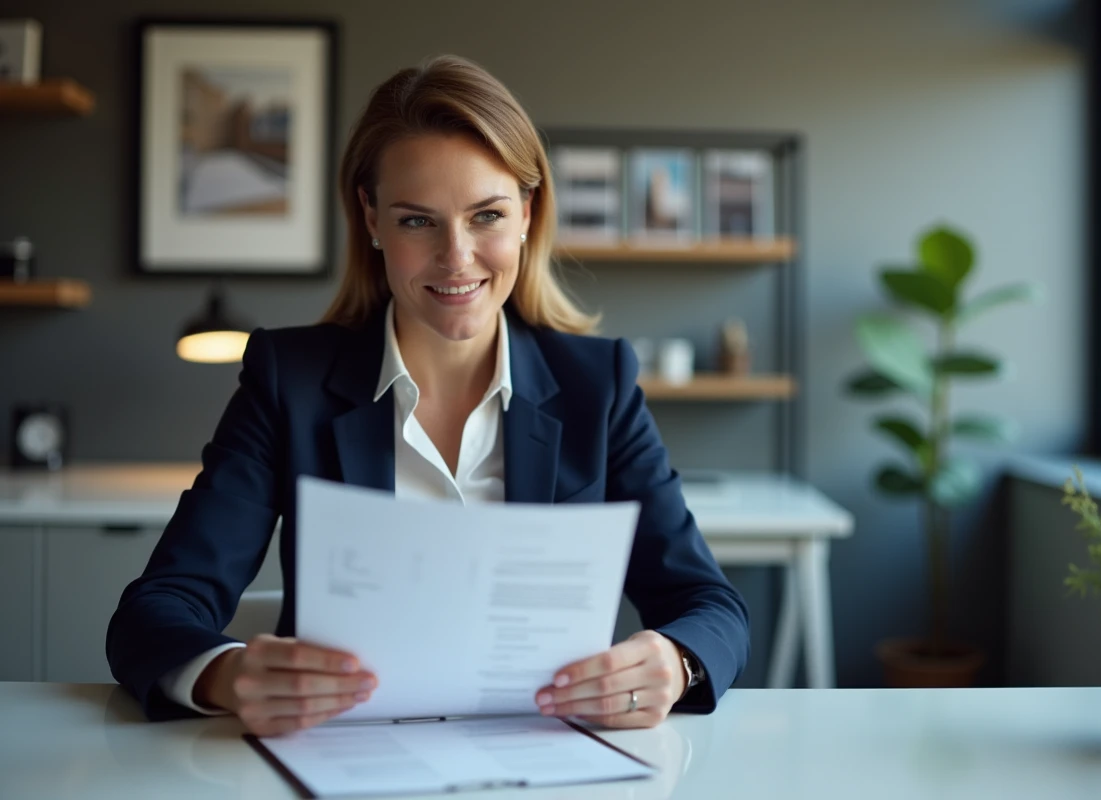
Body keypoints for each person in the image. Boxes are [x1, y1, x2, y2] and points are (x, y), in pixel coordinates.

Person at [107, 55, 750, 737]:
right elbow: (157, 610)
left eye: (487, 216)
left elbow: (710, 606)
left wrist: (673, 662)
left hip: (548, 766)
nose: (457, 257)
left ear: (528, 214)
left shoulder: (601, 386)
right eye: (418, 221)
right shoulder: (286, 380)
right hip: (340, 761)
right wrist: (228, 676)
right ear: (372, 218)